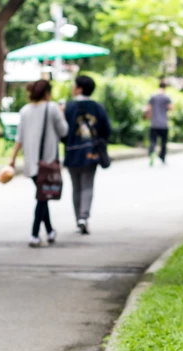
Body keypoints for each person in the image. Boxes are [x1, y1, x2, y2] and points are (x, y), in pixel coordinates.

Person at [9, 80, 68, 247]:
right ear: (47, 92)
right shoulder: (52, 108)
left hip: (31, 162)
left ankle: (49, 231)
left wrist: (12, 159)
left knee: (43, 196)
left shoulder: (25, 111)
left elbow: (19, 137)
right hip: (47, 161)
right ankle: (34, 234)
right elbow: (64, 131)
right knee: (42, 198)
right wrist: (62, 114)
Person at [64, 74, 112, 235]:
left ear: (79, 88)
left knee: (76, 187)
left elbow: (62, 131)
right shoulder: (97, 107)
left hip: (72, 152)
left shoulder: (68, 107)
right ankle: (84, 217)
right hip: (91, 153)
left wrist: (68, 141)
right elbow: (106, 129)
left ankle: (78, 219)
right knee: (87, 186)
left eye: (74, 85)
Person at [146, 79, 173, 166]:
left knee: (153, 141)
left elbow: (148, 109)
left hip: (154, 123)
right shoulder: (166, 97)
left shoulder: (153, 96)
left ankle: (152, 152)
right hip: (163, 124)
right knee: (163, 142)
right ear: (165, 87)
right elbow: (171, 107)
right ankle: (162, 157)